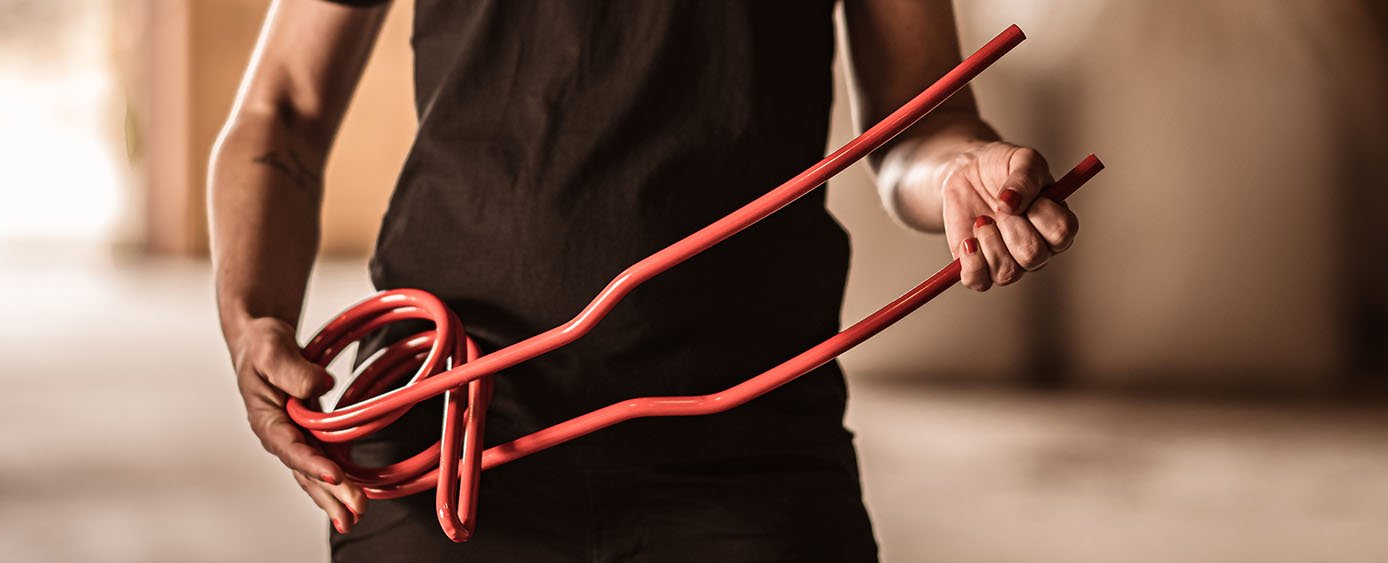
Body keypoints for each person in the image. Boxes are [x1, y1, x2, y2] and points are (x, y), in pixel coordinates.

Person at [209, 1, 1079, 561]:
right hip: (449, 438)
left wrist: (961, 170)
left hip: (750, 445)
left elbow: (919, 124)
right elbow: (282, 108)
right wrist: (252, 318)